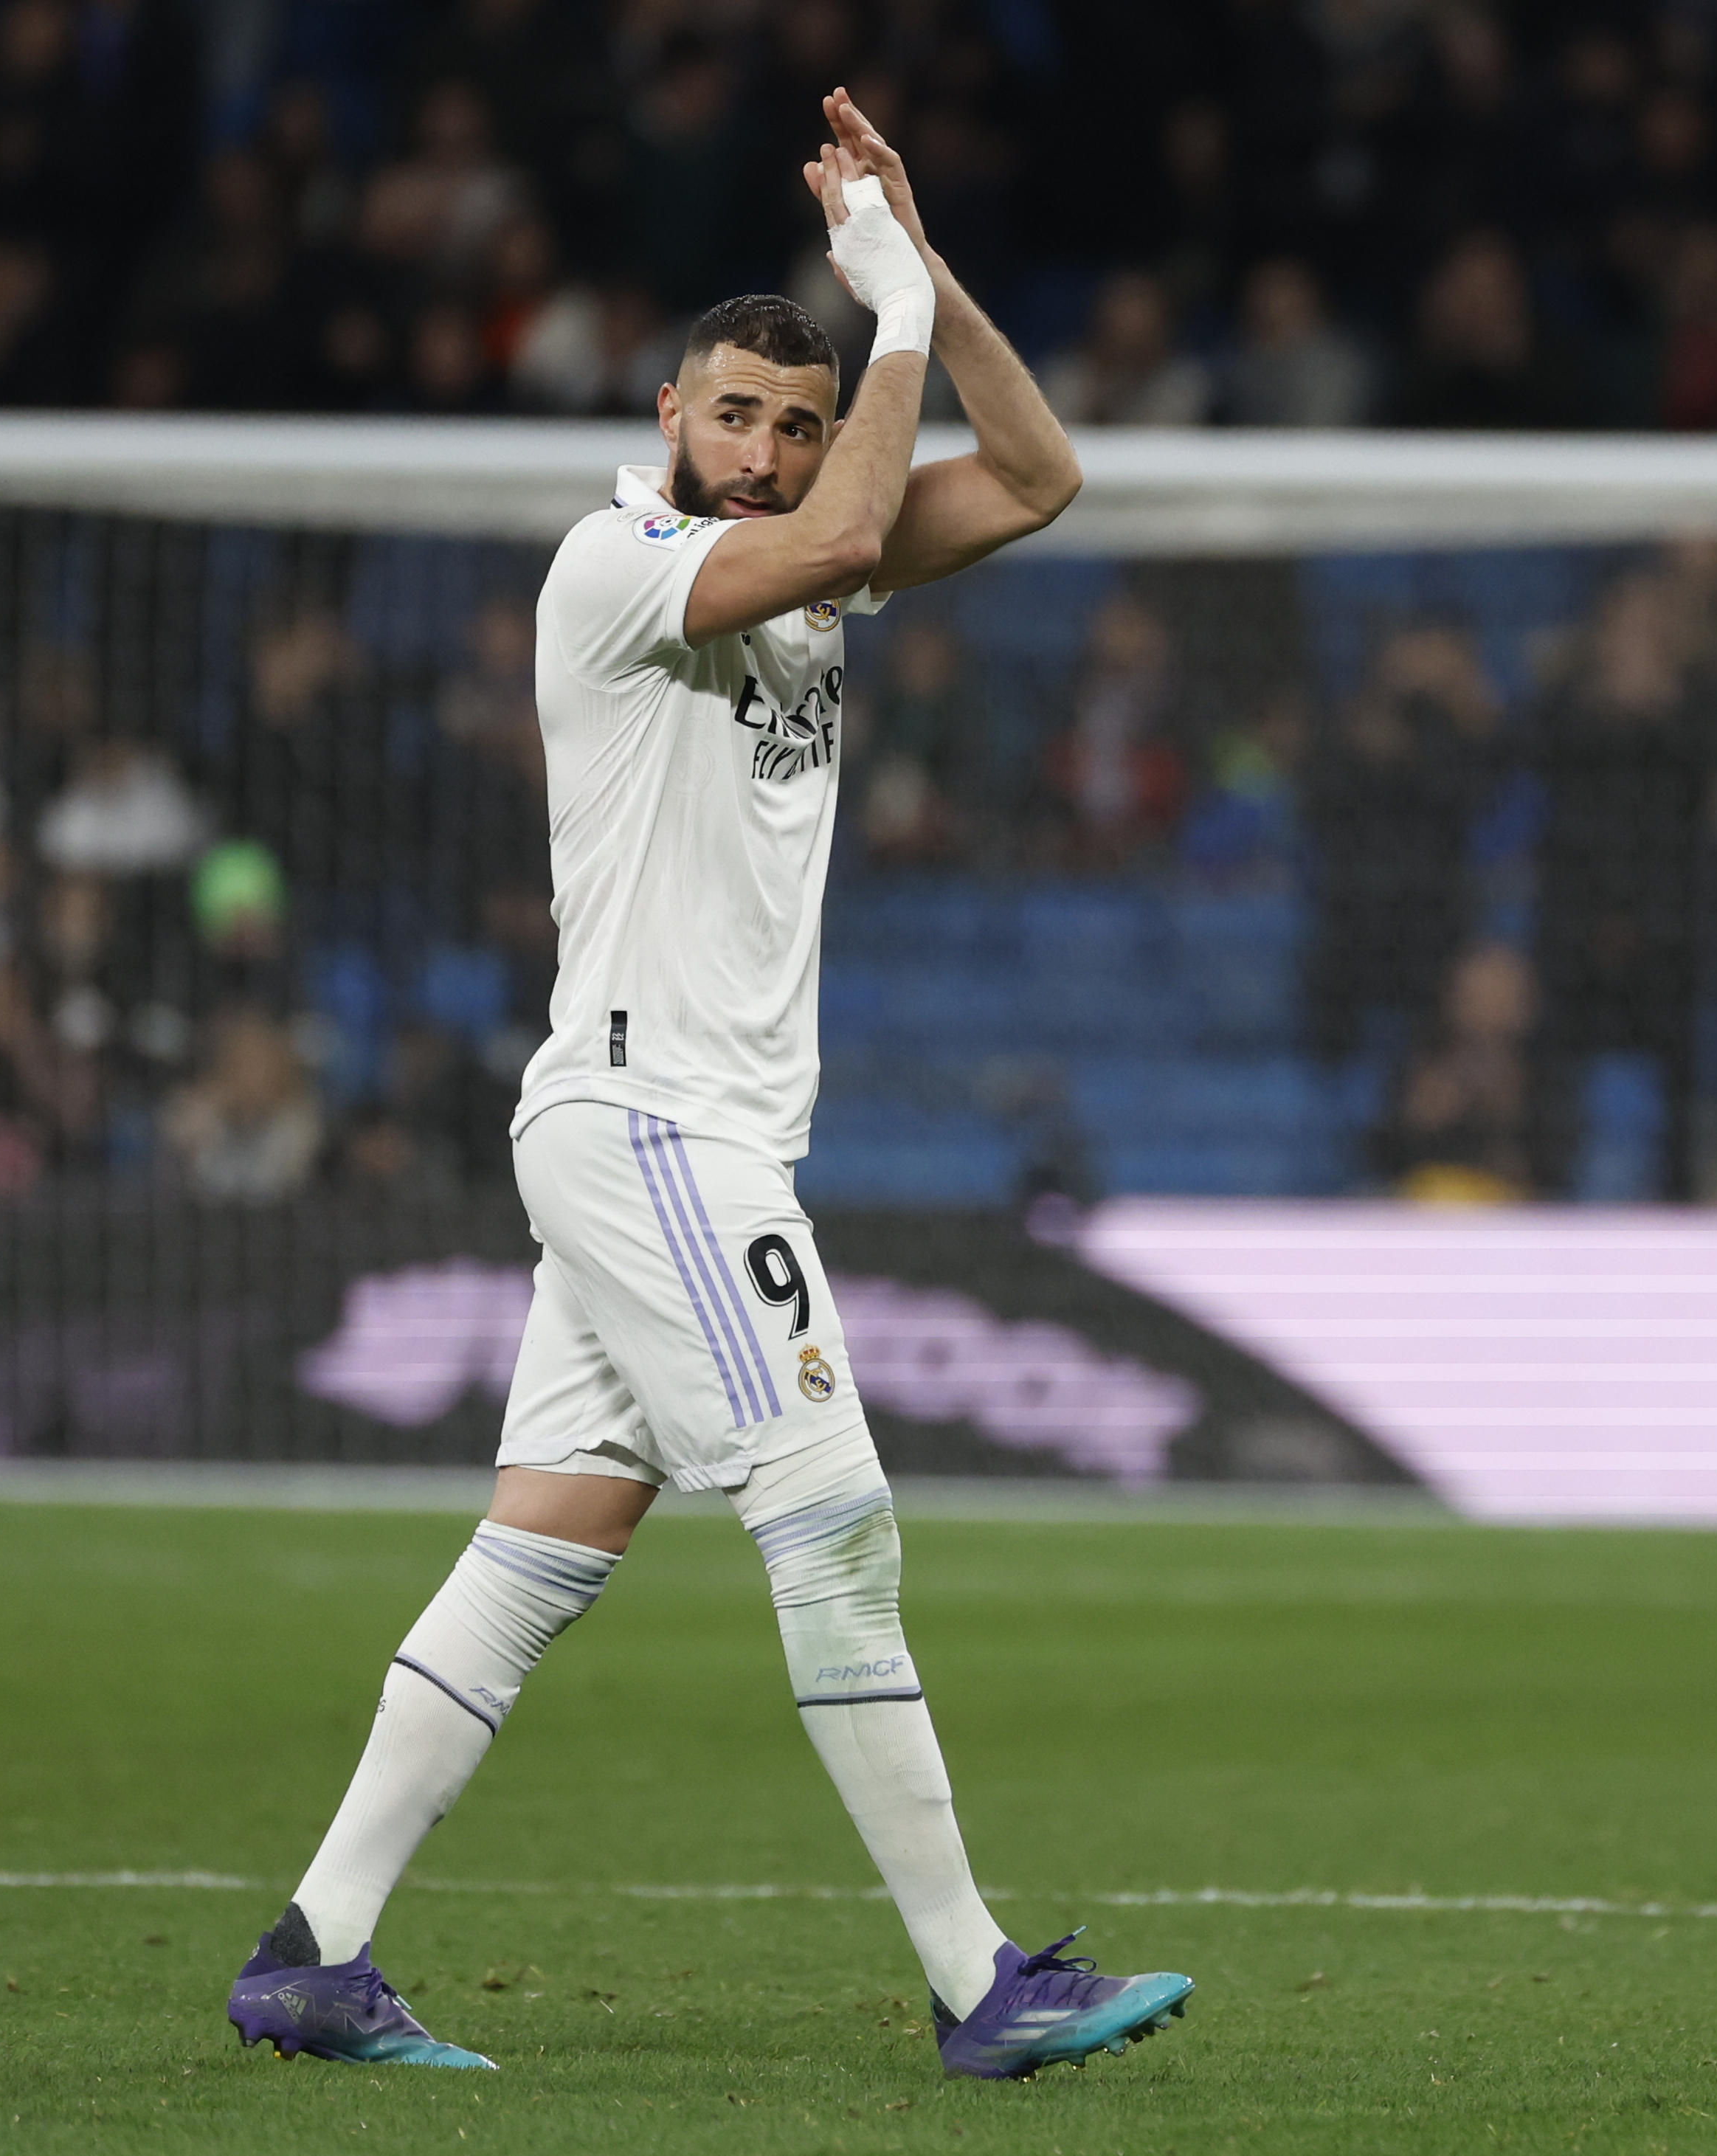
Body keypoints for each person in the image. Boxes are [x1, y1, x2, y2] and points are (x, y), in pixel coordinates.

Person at [225, 89, 1191, 2083]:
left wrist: (924, 271)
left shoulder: (816, 562)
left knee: (538, 1555)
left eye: (799, 420)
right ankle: (976, 1979)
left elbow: (1038, 470)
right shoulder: (620, 565)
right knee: (833, 1523)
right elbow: (852, 527)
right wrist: (876, 313)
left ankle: (313, 1949)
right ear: (671, 415)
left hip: (659, 1135)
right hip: (656, 1124)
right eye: (734, 412)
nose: (764, 449)